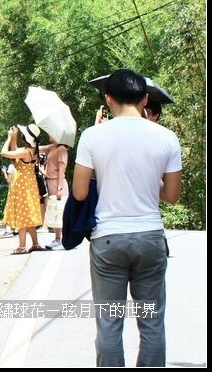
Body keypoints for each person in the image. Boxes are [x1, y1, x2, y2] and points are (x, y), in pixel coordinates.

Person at [73, 69, 181, 367]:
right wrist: (146, 180)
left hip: (108, 240)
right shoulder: (167, 138)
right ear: (145, 98)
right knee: (152, 322)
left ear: (108, 99)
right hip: (150, 238)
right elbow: (171, 196)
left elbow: (80, 193)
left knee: (109, 323)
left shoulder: (92, 136)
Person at [0, 124, 44, 254]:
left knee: (22, 214)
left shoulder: (25, 152)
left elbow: (4, 153)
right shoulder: (32, 151)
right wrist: (15, 136)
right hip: (29, 184)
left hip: (22, 186)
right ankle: (35, 243)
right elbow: (15, 154)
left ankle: (21, 246)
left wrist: (9, 138)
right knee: (28, 214)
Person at [40, 139, 69, 249]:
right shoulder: (53, 147)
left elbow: (61, 170)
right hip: (51, 182)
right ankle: (58, 238)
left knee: (60, 211)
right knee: (55, 211)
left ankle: (61, 239)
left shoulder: (61, 150)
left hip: (58, 183)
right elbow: (41, 148)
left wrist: (59, 188)